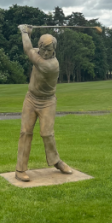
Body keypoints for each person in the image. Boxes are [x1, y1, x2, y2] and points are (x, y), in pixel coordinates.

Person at [15, 24, 72, 182]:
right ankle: (20, 170)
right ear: (39, 48)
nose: (46, 53)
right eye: (43, 50)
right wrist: (29, 33)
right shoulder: (39, 54)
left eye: (49, 50)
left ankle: (56, 161)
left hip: (47, 101)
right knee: (25, 132)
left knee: (47, 134)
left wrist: (25, 32)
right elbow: (32, 50)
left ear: (54, 49)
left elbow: (28, 50)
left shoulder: (51, 65)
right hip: (31, 99)